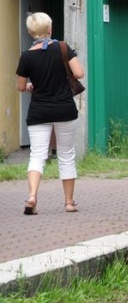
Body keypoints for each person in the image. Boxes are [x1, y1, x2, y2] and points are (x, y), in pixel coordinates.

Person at [15, 12, 84, 215]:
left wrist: (30, 85)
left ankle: (32, 196)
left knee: (37, 155)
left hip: (38, 112)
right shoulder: (62, 48)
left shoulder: (26, 56)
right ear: (50, 29)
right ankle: (69, 203)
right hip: (64, 110)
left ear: (30, 32)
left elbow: (20, 86)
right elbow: (79, 73)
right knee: (66, 155)